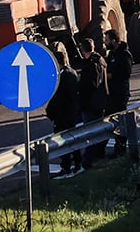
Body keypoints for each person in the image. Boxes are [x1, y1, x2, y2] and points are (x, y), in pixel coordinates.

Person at [46, 44, 81, 176]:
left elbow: (59, 99)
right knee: (72, 139)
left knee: (63, 142)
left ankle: (67, 166)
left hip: (63, 115)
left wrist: (51, 112)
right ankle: (76, 163)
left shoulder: (63, 77)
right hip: (70, 114)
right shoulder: (72, 72)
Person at [76, 39, 108, 169]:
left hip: (91, 104)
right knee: (98, 131)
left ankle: (88, 160)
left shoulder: (91, 65)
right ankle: (98, 155)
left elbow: (91, 85)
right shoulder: (100, 60)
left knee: (90, 133)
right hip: (99, 102)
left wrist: (79, 86)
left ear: (83, 50)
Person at [104, 31, 133, 156]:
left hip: (121, 93)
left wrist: (111, 76)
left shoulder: (124, 54)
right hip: (111, 93)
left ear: (114, 40)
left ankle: (121, 147)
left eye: (107, 39)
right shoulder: (111, 54)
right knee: (109, 120)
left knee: (120, 120)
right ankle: (113, 146)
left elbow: (126, 73)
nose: (105, 42)